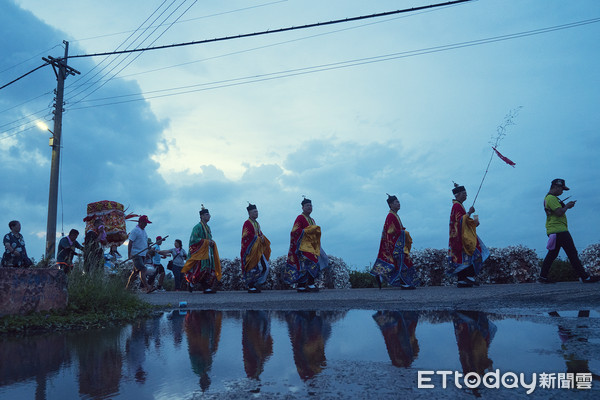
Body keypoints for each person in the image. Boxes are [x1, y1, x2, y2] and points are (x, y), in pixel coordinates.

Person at [539, 178, 599, 284]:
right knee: (572, 253)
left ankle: (542, 277)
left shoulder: (548, 198)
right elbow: (559, 212)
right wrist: (567, 206)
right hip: (560, 230)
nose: (562, 192)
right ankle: (584, 277)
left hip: (553, 230)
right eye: (562, 189)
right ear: (556, 187)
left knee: (552, 254)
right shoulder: (551, 198)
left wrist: (565, 206)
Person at [371, 194, 417, 290]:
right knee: (402, 262)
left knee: (397, 263)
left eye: (399, 202)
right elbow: (391, 232)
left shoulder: (394, 215)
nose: (399, 204)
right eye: (396, 202)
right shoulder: (391, 216)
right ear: (391, 204)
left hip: (396, 243)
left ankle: (380, 275)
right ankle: (405, 283)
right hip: (395, 244)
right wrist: (404, 233)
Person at [283, 197, 329, 293]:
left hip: (312, 247)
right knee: (309, 264)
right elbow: (294, 231)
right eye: (307, 205)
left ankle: (304, 285)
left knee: (312, 263)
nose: (309, 207)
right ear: (302, 207)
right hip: (303, 247)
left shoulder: (312, 220)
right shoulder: (300, 218)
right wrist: (306, 231)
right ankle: (307, 285)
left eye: (311, 205)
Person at [448, 183, 489, 288]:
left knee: (465, 256)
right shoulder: (457, 206)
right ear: (457, 195)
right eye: (464, 193)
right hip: (461, 237)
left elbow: (462, 220)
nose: (466, 195)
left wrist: (471, 220)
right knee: (472, 253)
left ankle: (463, 279)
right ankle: (467, 277)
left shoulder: (458, 205)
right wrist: (469, 213)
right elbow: (461, 220)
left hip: (460, 235)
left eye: (466, 193)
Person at [182, 205, 222, 293]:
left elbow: (209, 239)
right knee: (201, 270)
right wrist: (207, 242)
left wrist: (211, 243)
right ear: (202, 216)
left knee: (208, 269)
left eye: (209, 214)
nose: (209, 216)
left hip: (207, 252)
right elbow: (194, 239)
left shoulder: (208, 227)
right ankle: (192, 283)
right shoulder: (197, 227)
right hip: (199, 252)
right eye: (207, 214)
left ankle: (206, 287)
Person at [241, 203, 271, 293]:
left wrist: (262, 238)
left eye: (257, 211)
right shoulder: (247, 223)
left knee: (265, 266)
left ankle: (257, 283)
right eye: (254, 212)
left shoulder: (256, 224)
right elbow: (246, 235)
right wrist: (257, 238)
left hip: (258, 249)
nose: (256, 213)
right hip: (250, 250)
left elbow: (260, 234)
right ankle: (251, 285)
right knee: (252, 267)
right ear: (249, 213)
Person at [126, 215, 155, 293]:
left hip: (142, 254)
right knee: (143, 269)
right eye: (145, 223)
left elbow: (144, 243)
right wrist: (129, 254)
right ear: (140, 222)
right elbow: (130, 242)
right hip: (136, 254)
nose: (146, 225)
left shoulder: (144, 231)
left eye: (146, 223)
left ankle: (127, 288)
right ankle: (147, 287)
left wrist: (146, 253)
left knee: (135, 272)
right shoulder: (135, 230)